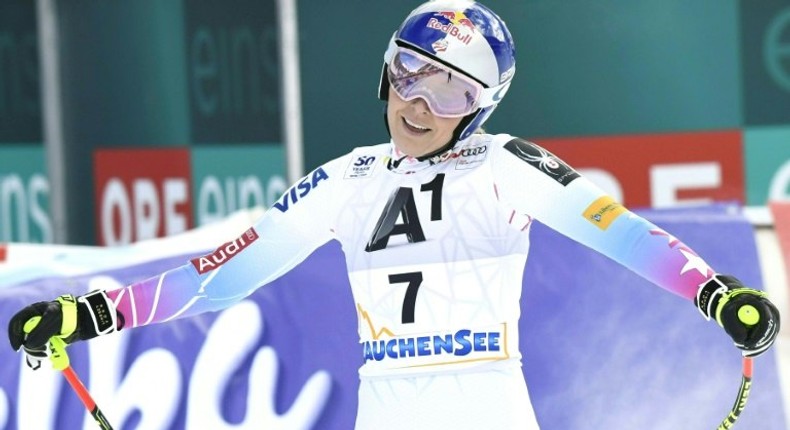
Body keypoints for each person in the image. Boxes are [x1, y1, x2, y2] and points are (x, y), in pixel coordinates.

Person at [7, 1, 781, 429]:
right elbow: (213, 280)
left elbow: (620, 233)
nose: (416, 103)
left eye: (447, 92)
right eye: (408, 73)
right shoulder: (344, 180)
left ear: (480, 108)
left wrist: (717, 293)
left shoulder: (507, 164)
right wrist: (90, 313)